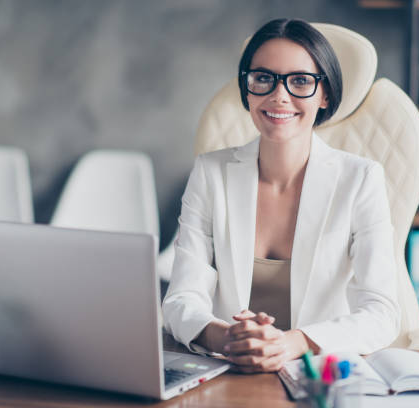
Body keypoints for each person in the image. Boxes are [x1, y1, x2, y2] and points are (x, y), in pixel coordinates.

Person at [162, 18, 400, 373]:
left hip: (317, 372)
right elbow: (181, 299)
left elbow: (382, 313)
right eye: (263, 78)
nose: (279, 95)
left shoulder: (360, 179)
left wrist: (292, 343)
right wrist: (226, 338)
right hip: (229, 371)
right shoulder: (210, 172)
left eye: (300, 81)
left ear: (326, 94)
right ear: (247, 89)